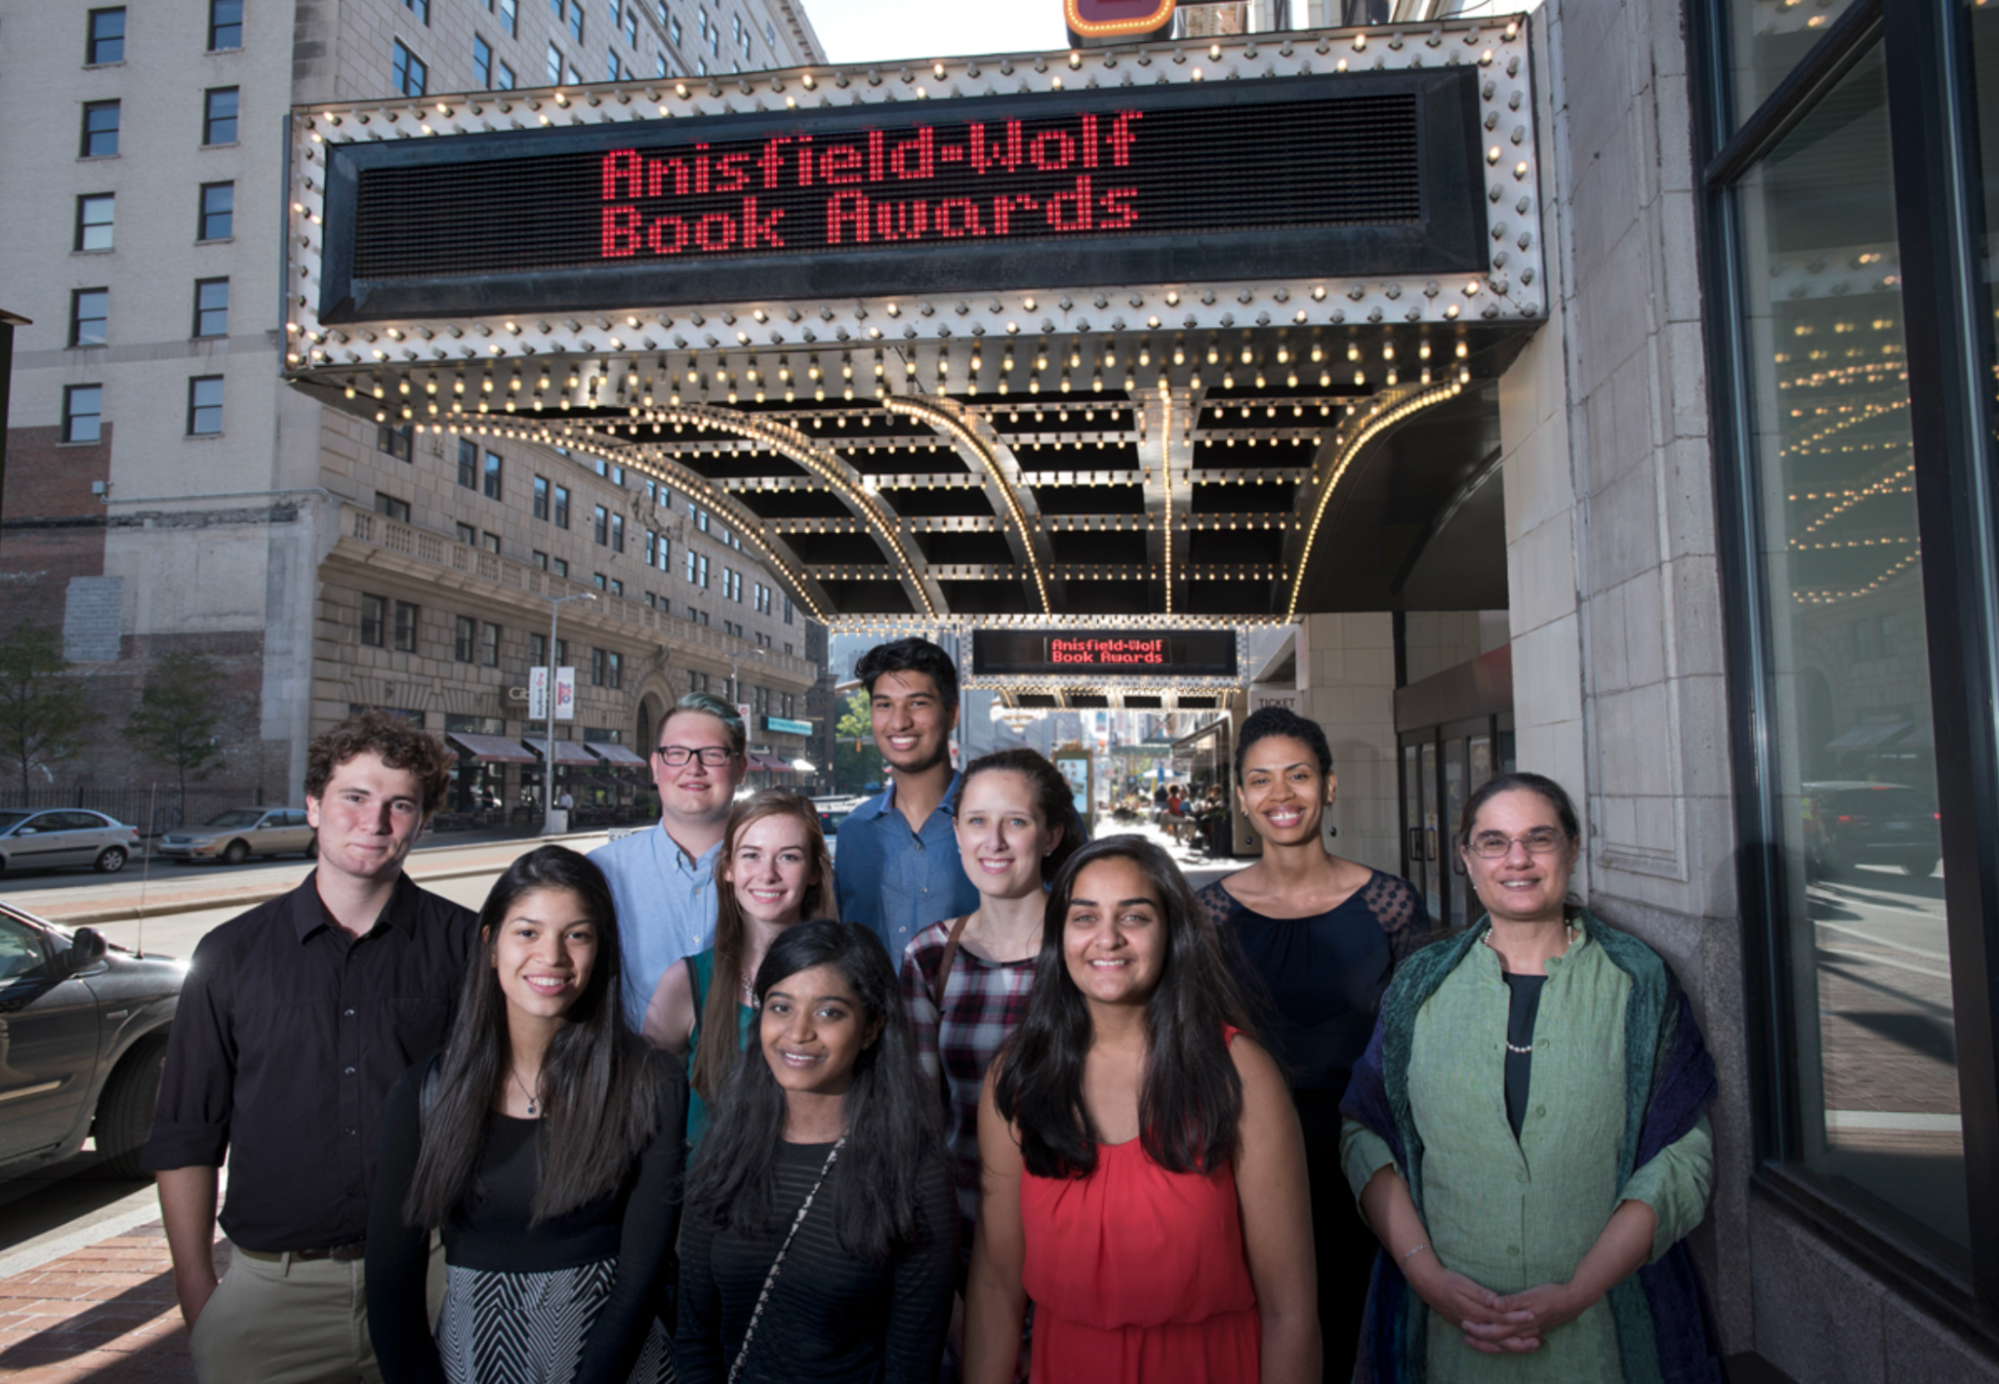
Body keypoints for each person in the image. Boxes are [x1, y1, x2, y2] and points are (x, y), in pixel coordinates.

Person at [1341, 772, 1720, 1383]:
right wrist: (1425, 1276)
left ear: (1573, 848)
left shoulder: (1638, 983)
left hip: (1603, 1341)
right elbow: (1366, 1139)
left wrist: (1578, 1290)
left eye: (1539, 839)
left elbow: (1683, 1160)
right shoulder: (1419, 987)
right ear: (1467, 858)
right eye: (1493, 842)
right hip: (1446, 1341)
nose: (1517, 859)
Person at [143, 712, 478, 1384]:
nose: (374, 820)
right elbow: (186, 1134)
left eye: (399, 804)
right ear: (313, 805)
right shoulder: (230, 954)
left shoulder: (468, 946)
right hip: (273, 1298)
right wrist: (195, 1289)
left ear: (420, 820)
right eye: (354, 796)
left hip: (434, 1279)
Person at [966, 836, 1321, 1384]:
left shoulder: (1240, 1074)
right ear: (1059, 937)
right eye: (1084, 918)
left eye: (1133, 916)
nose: (1107, 938)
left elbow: (1290, 1309)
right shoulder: (1018, 1079)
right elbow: (995, 1282)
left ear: (1172, 932)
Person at [367, 846, 687, 1384]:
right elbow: (390, 1286)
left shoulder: (651, 1083)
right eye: (527, 933)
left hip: (616, 1362)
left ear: (601, 949)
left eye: (577, 934)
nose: (553, 956)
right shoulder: (425, 1094)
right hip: (474, 1360)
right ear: (490, 946)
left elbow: (642, 1275)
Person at [1193, 705, 1434, 1377]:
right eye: (1260, 779)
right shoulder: (1209, 916)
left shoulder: (1390, 904)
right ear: (1240, 796)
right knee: (1254, 1334)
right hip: (1241, 1158)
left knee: (1354, 1330)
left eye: (1297, 775)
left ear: (1328, 786)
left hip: (1364, 1160)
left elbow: (1419, 1046)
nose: (1280, 795)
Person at [675, 920, 956, 1382]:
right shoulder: (724, 1151)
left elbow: (911, 1368)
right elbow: (695, 1337)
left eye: (828, 1013)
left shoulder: (912, 1172)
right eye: (780, 1007)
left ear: (871, 1029)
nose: (798, 1032)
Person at [901, 748, 1085, 1265]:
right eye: (977, 821)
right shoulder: (929, 956)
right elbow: (919, 1127)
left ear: (1050, 836)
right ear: (956, 833)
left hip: (1079, 1230)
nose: (994, 841)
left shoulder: (1089, 949)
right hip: (963, 1234)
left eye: (1016, 822)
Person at [643, 788, 834, 1145]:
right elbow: (648, 1119)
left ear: (812, 871)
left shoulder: (847, 983)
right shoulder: (685, 984)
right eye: (751, 856)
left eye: (789, 857)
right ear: (729, 868)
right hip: (707, 1195)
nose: (767, 874)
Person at [593, 692, 748, 1027]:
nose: (693, 768)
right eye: (676, 753)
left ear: (740, 768)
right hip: (632, 1073)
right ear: (655, 767)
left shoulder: (777, 877)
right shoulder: (600, 873)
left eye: (712, 754)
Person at [834, 638, 981, 960]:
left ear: (952, 713)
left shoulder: (994, 822)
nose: (899, 722)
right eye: (884, 704)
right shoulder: (854, 831)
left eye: (917, 703)